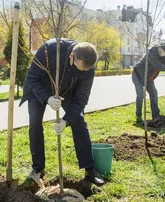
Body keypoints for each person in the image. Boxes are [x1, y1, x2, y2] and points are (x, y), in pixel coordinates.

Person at [19, 39, 105, 185]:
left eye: (84, 70)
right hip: (38, 87)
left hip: (66, 90)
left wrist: (66, 120)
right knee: (35, 122)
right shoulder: (48, 49)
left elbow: (81, 99)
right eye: (79, 68)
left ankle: (89, 169)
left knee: (78, 120)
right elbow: (33, 78)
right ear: (72, 56)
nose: (81, 72)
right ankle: (38, 169)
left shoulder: (88, 67)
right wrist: (47, 98)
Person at [132, 42, 165, 125]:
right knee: (140, 96)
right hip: (138, 76)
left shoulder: (163, 56)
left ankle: (156, 116)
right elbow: (159, 66)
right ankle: (138, 117)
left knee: (154, 94)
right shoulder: (150, 55)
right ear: (160, 48)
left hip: (148, 78)